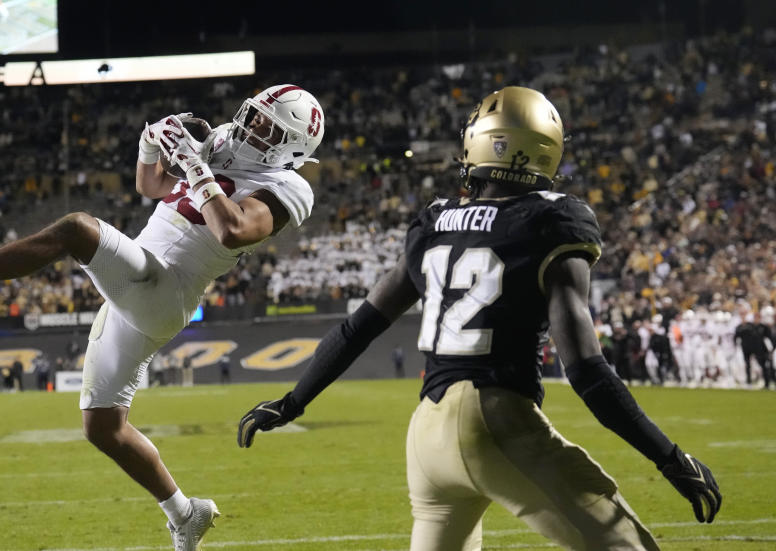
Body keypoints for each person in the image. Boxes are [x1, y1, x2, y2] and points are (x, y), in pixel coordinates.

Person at [238, 86, 721, 550]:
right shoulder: (553, 220)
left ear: (476, 143)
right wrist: (670, 458)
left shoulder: (435, 221)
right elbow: (586, 371)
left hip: (426, 437)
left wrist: (292, 401)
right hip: (497, 422)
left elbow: (359, 325)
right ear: (546, 151)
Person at [0, 84, 325, 550]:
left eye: (266, 126)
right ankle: (184, 514)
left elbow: (232, 229)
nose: (250, 125)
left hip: (165, 289)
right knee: (102, 425)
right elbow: (150, 185)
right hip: (137, 279)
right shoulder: (218, 140)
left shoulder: (289, 189)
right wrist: (152, 141)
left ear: (290, 147)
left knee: (76, 229)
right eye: (253, 115)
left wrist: (195, 164)